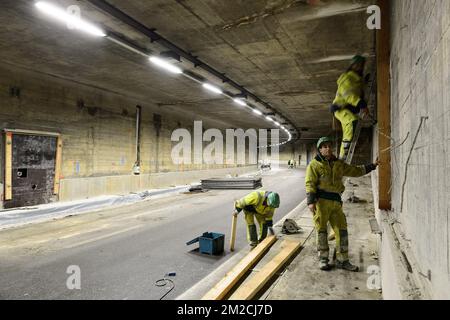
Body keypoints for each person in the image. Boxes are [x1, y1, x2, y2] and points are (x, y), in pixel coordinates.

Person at [305, 137, 379, 271]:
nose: (327, 148)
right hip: (321, 202)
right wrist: (311, 201)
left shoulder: (339, 164)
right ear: (320, 149)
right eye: (324, 146)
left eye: (329, 146)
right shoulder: (314, 165)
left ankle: (342, 260)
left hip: (336, 202)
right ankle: (323, 258)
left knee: (342, 230)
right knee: (321, 230)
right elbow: (310, 183)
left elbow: (354, 170)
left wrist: (372, 166)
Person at [330, 55, 370, 161]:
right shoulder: (347, 78)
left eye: (361, 65)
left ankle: (345, 150)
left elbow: (358, 90)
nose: (360, 67)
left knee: (351, 125)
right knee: (351, 122)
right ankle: (343, 156)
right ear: (352, 66)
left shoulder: (357, 79)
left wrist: (365, 82)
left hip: (349, 108)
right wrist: (362, 104)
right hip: (340, 108)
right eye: (357, 65)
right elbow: (349, 95)